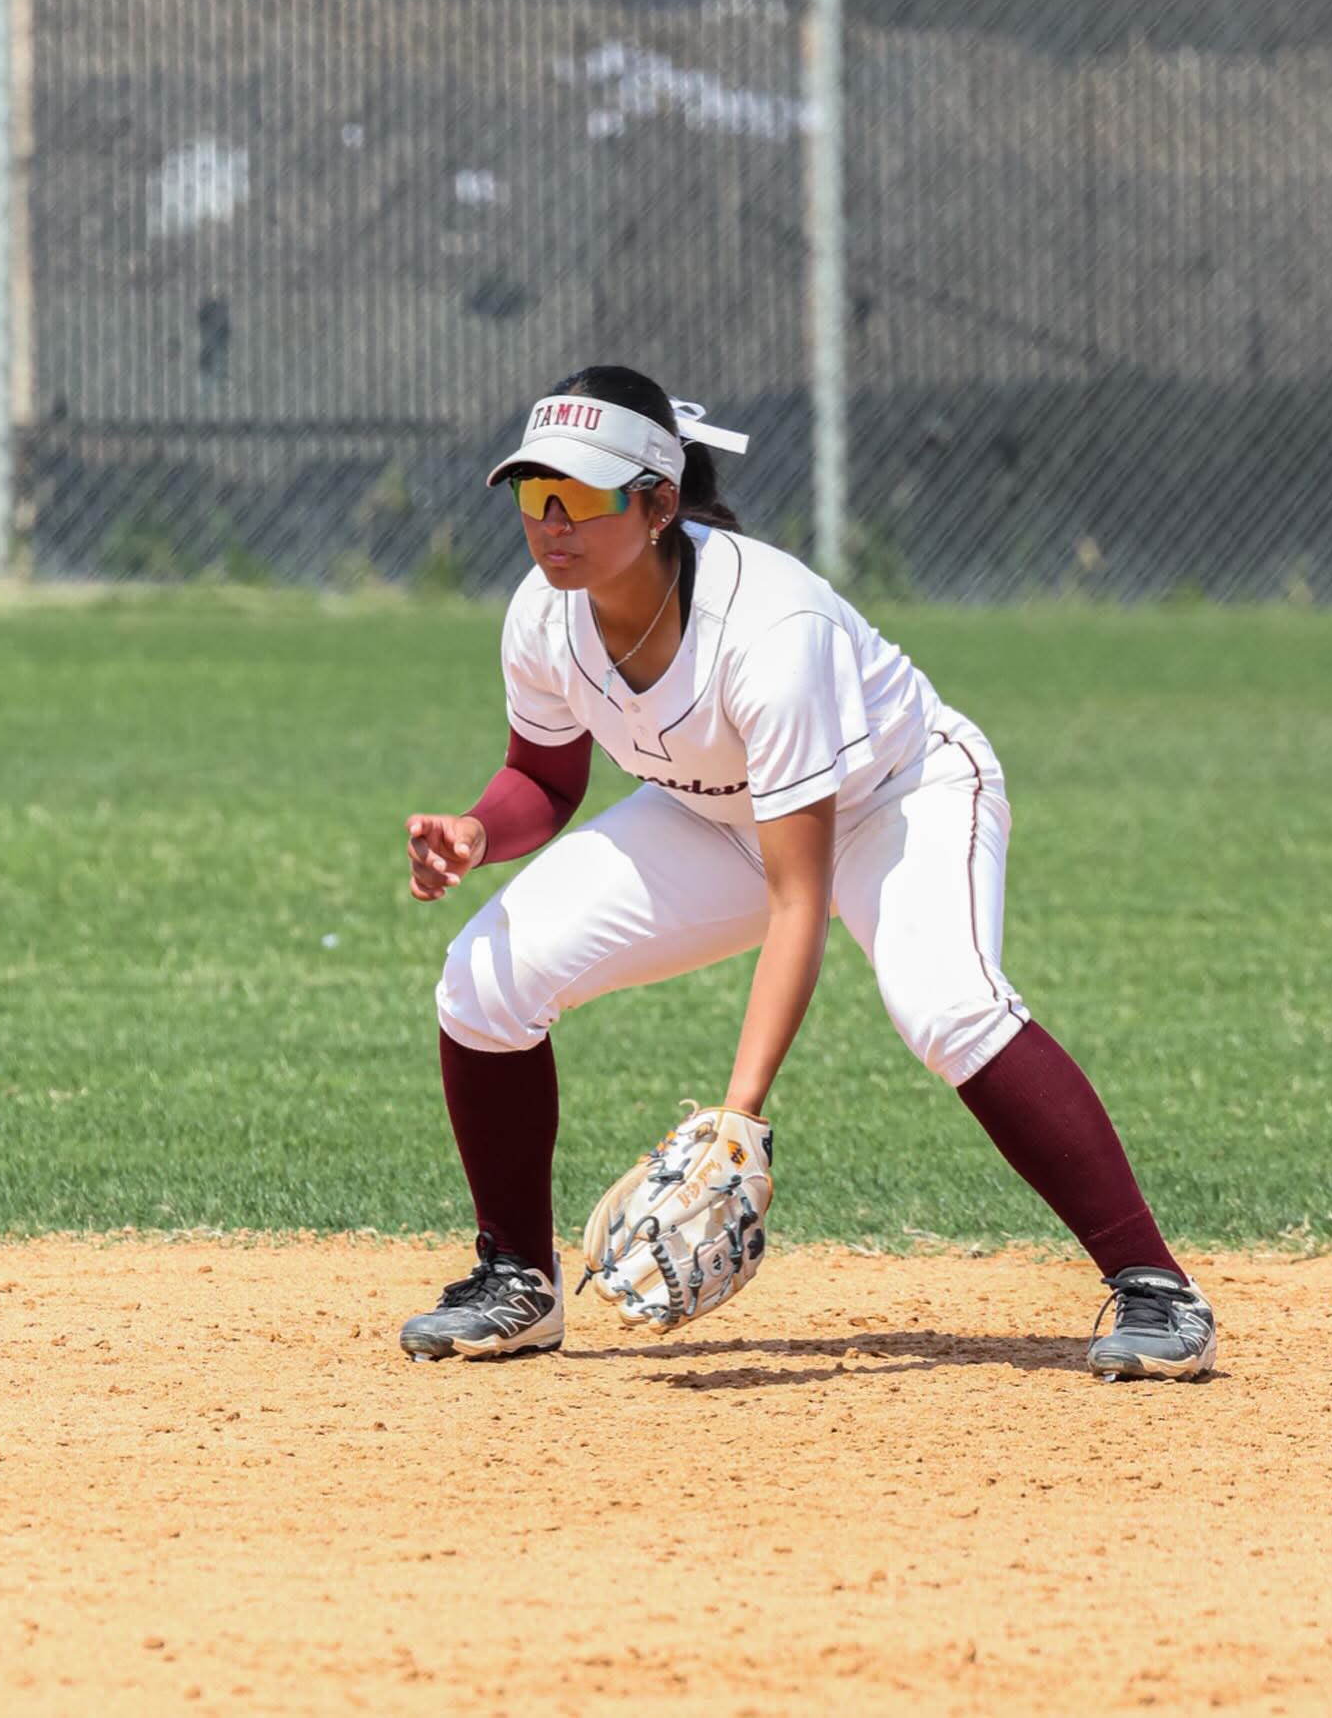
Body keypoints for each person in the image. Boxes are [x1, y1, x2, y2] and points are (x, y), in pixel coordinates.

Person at [398, 365, 1216, 1381]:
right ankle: (517, 1279)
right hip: (717, 811)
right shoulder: (544, 612)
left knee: (947, 1007)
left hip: (896, 798)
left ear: (657, 505)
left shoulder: (771, 631)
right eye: (533, 491)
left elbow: (800, 899)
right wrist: (478, 830)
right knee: (482, 981)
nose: (550, 522)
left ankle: (1157, 1288)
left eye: (579, 494)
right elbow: (543, 775)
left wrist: (738, 1117)